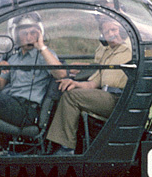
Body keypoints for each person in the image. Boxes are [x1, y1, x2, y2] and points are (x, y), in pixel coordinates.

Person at [0, 15, 67, 153]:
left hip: (28, 110)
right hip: (12, 105)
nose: (29, 37)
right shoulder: (12, 57)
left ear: (40, 34)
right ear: (16, 35)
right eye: (24, 33)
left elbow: (61, 74)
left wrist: (41, 46)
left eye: (33, 33)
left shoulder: (46, 55)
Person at [46, 15, 133, 153]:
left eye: (114, 29)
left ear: (121, 30)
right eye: (106, 32)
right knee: (69, 91)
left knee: (72, 97)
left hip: (119, 99)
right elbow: (93, 83)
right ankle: (57, 145)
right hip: (105, 95)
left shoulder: (130, 49)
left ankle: (66, 148)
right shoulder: (107, 53)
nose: (111, 34)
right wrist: (74, 83)